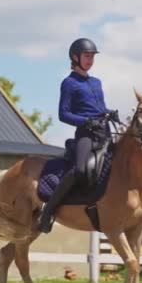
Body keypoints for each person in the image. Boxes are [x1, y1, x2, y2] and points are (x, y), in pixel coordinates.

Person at [39, 38, 119, 233]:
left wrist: (110, 112)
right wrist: (86, 121)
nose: (90, 60)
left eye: (92, 56)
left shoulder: (96, 82)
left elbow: (98, 108)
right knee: (81, 170)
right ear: (75, 57)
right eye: (86, 56)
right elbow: (63, 114)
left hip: (104, 133)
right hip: (85, 134)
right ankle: (48, 211)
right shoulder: (69, 83)